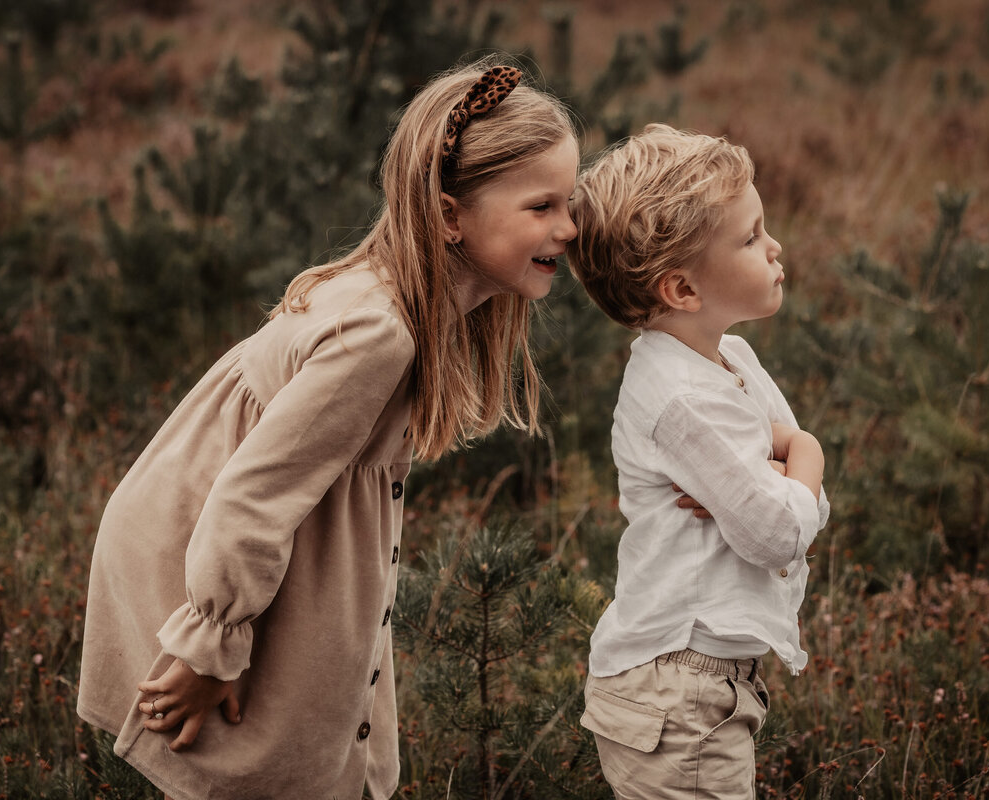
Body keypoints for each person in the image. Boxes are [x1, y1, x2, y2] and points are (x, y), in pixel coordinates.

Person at [76, 57, 579, 800]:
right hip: (203, 558)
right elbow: (253, 496)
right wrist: (208, 647)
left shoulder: (406, 303)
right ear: (448, 216)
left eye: (572, 203)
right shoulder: (380, 335)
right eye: (542, 207)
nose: (567, 228)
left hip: (243, 556)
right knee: (268, 759)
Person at [565, 124, 830, 799]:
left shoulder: (731, 360)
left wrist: (782, 475)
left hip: (701, 686)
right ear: (682, 289)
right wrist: (806, 451)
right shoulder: (680, 398)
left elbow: (799, 509)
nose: (775, 248)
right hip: (676, 695)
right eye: (749, 237)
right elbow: (778, 529)